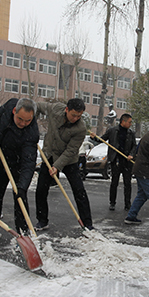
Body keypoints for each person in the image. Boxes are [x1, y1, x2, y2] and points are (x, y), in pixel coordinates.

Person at [0, 98, 39, 241]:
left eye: (28, 121)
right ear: (14, 111)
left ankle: (23, 235)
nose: (23, 124)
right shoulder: (9, 105)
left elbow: (28, 163)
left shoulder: (31, 133)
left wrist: (22, 186)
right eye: (20, 119)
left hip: (18, 165)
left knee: (20, 199)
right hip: (1, 159)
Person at [35, 99, 93, 230]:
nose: (76, 118)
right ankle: (42, 220)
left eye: (79, 116)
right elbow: (38, 105)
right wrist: (33, 123)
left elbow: (71, 150)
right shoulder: (55, 109)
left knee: (79, 191)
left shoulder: (80, 128)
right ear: (66, 109)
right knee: (41, 190)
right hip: (49, 155)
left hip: (68, 160)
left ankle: (87, 223)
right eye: (73, 115)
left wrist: (57, 166)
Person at [90, 113, 136, 211]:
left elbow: (134, 146)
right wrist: (94, 137)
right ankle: (112, 202)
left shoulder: (131, 133)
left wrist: (131, 154)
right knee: (114, 182)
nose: (131, 124)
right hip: (116, 160)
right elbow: (102, 140)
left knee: (127, 183)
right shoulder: (112, 131)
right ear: (123, 121)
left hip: (127, 161)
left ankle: (127, 204)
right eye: (130, 122)